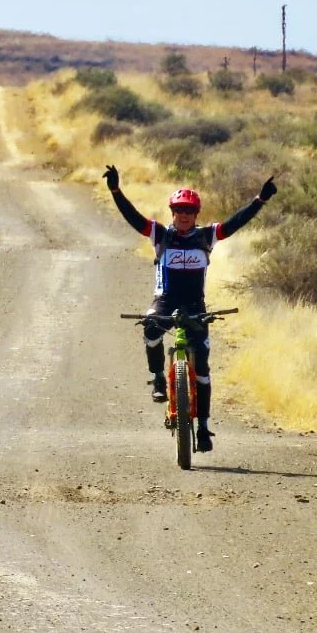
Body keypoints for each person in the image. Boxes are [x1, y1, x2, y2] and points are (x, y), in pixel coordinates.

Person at [103, 165, 277, 452]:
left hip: (195, 305)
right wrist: (115, 191)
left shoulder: (207, 236)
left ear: (196, 215)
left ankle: (204, 427)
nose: (183, 215)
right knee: (150, 328)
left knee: (203, 371)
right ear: (172, 213)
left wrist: (260, 200)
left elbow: (235, 223)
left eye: (189, 211)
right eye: (179, 210)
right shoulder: (159, 234)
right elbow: (133, 218)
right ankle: (159, 377)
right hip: (166, 299)